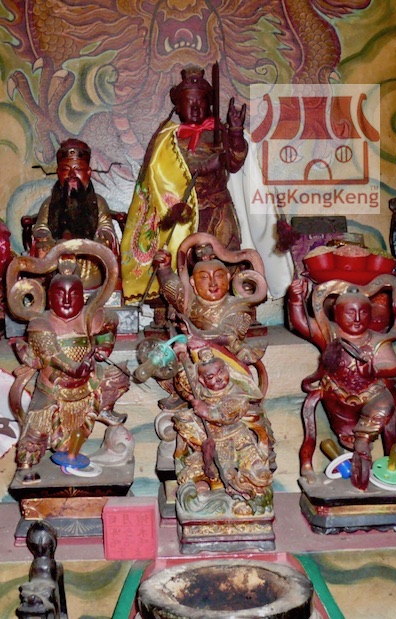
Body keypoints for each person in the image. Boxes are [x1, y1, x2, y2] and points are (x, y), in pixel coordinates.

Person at [121, 66, 248, 304]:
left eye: (201, 101)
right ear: (178, 107)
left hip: (218, 209)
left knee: (226, 256)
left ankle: (231, 303)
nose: (196, 107)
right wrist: (202, 168)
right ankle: (179, 303)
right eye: (189, 102)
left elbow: (235, 162)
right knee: (183, 260)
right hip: (183, 212)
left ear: (209, 104)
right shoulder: (167, 139)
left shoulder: (219, 132)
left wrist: (235, 131)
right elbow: (159, 177)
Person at [288, 276, 396, 491]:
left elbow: (393, 366)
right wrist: (296, 300)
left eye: (363, 312)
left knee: (384, 403)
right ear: (336, 314)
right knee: (340, 426)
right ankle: (311, 462)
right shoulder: (329, 333)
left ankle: (363, 442)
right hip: (336, 396)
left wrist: (372, 367)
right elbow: (302, 323)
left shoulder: (377, 340)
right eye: (350, 312)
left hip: (370, 394)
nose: (357, 318)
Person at [11, 267, 129, 475]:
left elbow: (110, 323)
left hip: (88, 385)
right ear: (49, 298)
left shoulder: (89, 316)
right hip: (53, 390)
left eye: (73, 295)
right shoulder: (41, 323)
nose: (66, 301)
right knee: (36, 430)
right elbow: (53, 356)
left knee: (120, 377)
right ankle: (26, 466)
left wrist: (104, 345)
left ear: (83, 297)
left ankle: (104, 408)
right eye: (60, 294)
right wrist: (74, 368)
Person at [173, 348, 273, 510]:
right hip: (207, 436)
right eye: (210, 377)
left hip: (235, 436)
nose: (218, 379)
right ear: (202, 380)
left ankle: (242, 493)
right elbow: (186, 382)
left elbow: (227, 415)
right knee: (183, 420)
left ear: (227, 370)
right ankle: (207, 480)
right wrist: (181, 358)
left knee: (249, 469)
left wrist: (208, 412)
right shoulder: (201, 390)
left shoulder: (238, 393)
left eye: (221, 372)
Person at [31, 138, 119, 289]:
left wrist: (101, 237)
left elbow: (106, 227)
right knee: (42, 248)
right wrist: (45, 237)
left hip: (88, 255)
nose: (71, 175)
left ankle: (92, 286)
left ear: (88, 172)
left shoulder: (98, 202)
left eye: (78, 169)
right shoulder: (49, 203)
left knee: (102, 248)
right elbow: (41, 227)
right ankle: (51, 287)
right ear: (58, 173)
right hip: (57, 254)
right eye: (66, 170)